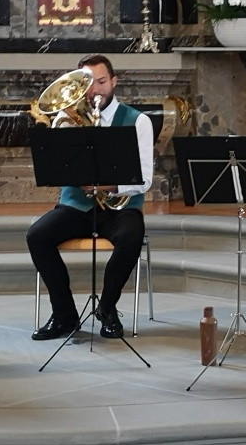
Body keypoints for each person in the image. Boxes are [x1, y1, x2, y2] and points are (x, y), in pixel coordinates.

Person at [27, 55, 154, 341]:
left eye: (101, 82)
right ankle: (64, 315)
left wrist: (107, 186)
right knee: (37, 235)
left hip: (119, 209)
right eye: (88, 84)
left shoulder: (138, 121)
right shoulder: (69, 119)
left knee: (132, 235)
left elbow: (144, 180)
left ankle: (107, 308)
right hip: (77, 206)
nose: (95, 90)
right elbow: (56, 169)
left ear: (114, 82)